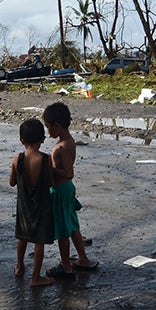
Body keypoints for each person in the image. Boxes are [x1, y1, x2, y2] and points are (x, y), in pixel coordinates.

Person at [42, 101, 98, 277]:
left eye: (48, 127)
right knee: (72, 225)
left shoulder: (61, 147)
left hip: (61, 189)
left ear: (57, 126)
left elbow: (68, 173)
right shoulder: (69, 141)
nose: (47, 131)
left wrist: (49, 169)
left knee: (63, 230)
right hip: (66, 189)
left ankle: (66, 266)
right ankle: (83, 259)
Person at [9, 118, 55, 287]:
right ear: (42, 139)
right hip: (41, 207)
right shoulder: (45, 159)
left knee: (22, 237)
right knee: (39, 242)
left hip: (24, 208)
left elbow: (12, 182)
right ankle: (36, 277)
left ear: (22, 141)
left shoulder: (17, 159)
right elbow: (50, 182)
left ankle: (20, 266)